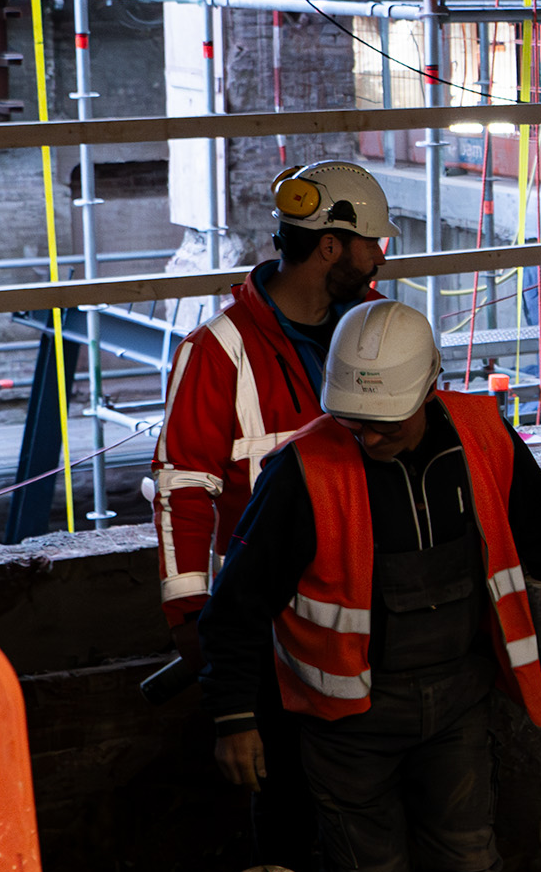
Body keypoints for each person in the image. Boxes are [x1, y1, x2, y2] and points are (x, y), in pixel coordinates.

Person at [194, 300, 541, 872]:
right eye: (356, 423)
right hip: (349, 726)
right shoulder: (303, 473)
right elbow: (236, 605)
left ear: (428, 389)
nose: (368, 439)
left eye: (384, 424)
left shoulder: (484, 438)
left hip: (456, 703)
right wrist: (234, 715)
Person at [151, 159, 396, 624]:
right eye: (371, 243)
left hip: (373, 592)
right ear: (330, 246)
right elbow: (184, 488)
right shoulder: (217, 352)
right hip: (263, 611)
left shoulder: (382, 327)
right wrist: (186, 611)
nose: (380, 258)